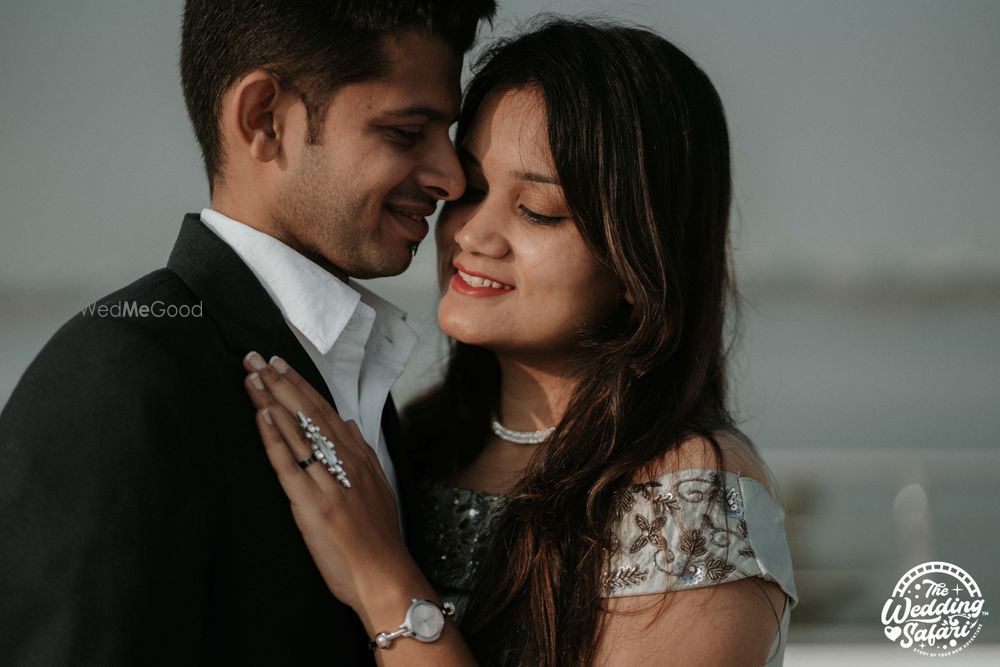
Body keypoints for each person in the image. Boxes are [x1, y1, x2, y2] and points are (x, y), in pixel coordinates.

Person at [241, 17, 798, 667]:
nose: (473, 233)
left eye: (537, 210)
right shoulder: (417, 442)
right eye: (471, 191)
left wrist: (380, 579)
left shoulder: (686, 493)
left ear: (639, 257)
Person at [0, 1, 496, 664]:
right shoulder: (118, 379)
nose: (451, 177)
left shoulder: (355, 372)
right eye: (406, 133)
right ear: (264, 118)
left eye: (446, 133)